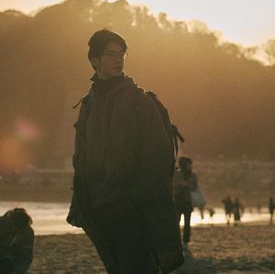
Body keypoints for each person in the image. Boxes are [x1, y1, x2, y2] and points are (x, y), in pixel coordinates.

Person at [67, 29, 183, 274]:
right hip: (99, 208)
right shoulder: (89, 104)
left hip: (132, 209)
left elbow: (159, 157)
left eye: (121, 54)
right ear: (94, 60)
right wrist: (81, 202)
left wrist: (132, 200)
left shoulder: (140, 101)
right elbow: (82, 158)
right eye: (111, 54)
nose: (118, 59)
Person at [0, 208, 34, 274]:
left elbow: (27, 254)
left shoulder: (28, 231)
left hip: (13, 259)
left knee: (7, 265)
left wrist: (19, 270)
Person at [173, 155, 196, 246]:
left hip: (186, 200)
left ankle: (186, 240)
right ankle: (177, 239)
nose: (190, 166)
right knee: (176, 221)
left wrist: (186, 185)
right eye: (188, 164)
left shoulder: (192, 175)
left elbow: (195, 187)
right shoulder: (177, 174)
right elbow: (173, 184)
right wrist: (181, 185)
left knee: (187, 222)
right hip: (178, 200)